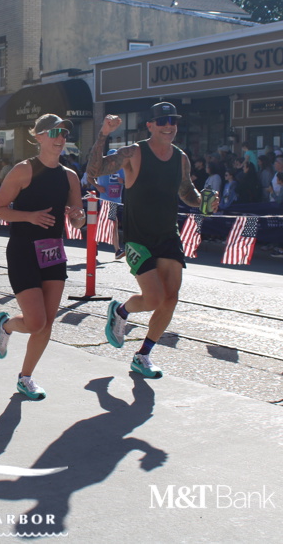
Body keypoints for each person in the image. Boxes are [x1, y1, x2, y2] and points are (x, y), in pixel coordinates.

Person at [86, 102, 216, 379]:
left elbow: (187, 192)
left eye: (173, 121)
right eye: (162, 121)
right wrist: (103, 134)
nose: (168, 126)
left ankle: (143, 355)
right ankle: (120, 311)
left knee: (170, 298)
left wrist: (204, 202)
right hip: (139, 238)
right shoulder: (134, 152)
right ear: (150, 125)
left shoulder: (180, 157)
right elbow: (95, 170)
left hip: (168, 235)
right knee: (154, 298)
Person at [0, 114, 85, 400]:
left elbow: (77, 220)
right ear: (39, 136)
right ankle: (6, 325)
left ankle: (26, 378)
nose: (60, 138)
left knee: (47, 323)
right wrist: (29, 216)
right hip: (23, 251)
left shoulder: (70, 176)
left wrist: (78, 216)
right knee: (35, 322)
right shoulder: (24, 170)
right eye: (54, 133)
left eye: (64, 134)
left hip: (53, 251)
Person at [93, 150, 125, 259]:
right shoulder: (102, 169)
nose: (113, 160)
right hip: (105, 200)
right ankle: (117, 250)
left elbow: (128, 181)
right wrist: (97, 186)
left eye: (115, 158)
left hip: (116, 200)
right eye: (111, 158)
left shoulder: (121, 169)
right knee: (113, 222)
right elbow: (89, 177)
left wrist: (123, 181)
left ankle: (95, 244)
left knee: (108, 223)